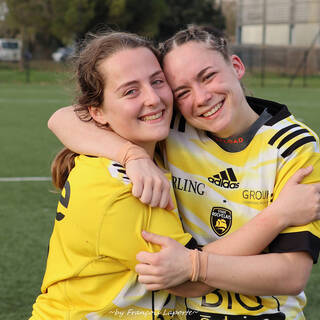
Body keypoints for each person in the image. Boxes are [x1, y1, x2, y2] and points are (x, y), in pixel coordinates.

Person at [47, 25, 320, 319]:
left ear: (237, 66)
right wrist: (133, 155)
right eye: (182, 91)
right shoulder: (175, 129)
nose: (201, 97)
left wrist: (192, 264)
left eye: (208, 76)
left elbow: (292, 275)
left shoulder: (294, 148)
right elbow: (63, 118)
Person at [30, 31, 198, 320]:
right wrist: (279, 215)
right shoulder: (124, 188)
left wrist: (132, 154)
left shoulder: (146, 147)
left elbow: (64, 117)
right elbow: (193, 280)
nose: (153, 98)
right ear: (97, 112)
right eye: (130, 91)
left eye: (157, 81)